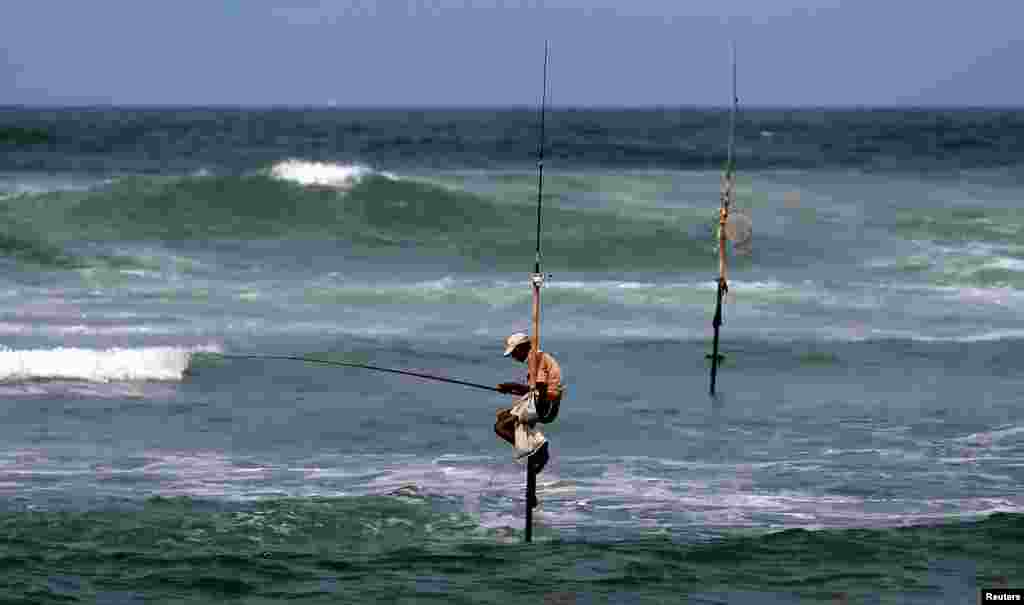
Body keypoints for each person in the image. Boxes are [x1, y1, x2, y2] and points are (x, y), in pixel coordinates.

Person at [494, 332, 563, 503]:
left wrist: (513, 386)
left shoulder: (536, 359)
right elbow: (533, 389)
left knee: (501, 427)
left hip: (545, 404)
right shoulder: (536, 359)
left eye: (514, 352)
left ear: (523, 347)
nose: (513, 357)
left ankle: (537, 448)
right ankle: (534, 453)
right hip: (541, 400)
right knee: (502, 417)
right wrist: (512, 388)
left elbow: (539, 389)